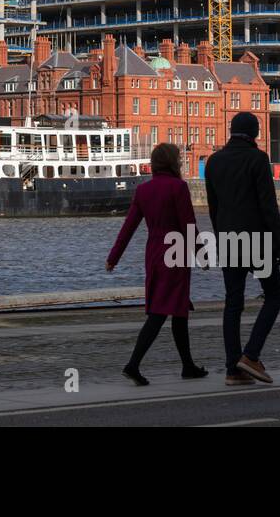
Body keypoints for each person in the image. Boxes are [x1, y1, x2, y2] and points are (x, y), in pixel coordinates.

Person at [105, 142, 208, 385]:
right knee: (161, 312)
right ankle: (133, 364)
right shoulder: (178, 188)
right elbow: (188, 225)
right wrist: (201, 254)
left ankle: (187, 366)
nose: (182, 162)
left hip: (153, 255)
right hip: (176, 254)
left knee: (178, 310)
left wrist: (113, 258)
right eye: (179, 159)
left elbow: (128, 228)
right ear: (173, 162)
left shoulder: (143, 190)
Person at [204, 111, 280, 386]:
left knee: (233, 303)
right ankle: (251, 355)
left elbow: (214, 209)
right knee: (274, 295)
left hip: (228, 238)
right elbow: (267, 205)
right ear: (254, 133)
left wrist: (220, 238)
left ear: (231, 131)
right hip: (257, 238)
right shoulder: (258, 159)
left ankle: (232, 369)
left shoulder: (214, 162)